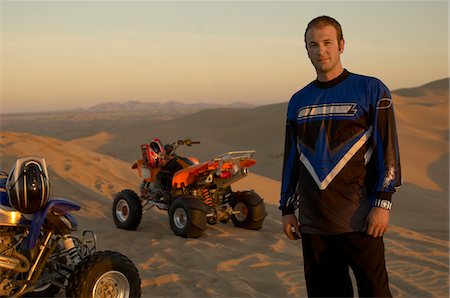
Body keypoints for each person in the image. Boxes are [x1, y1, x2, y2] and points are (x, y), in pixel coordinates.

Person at [279, 15, 401, 297]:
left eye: (327, 42)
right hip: (314, 225)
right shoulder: (298, 100)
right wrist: (287, 208)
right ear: (306, 49)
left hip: (360, 220)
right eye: (313, 44)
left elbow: (389, 150)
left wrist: (383, 203)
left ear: (341, 45)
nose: (320, 50)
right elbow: (291, 158)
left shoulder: (371, 89)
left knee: (376, 294)